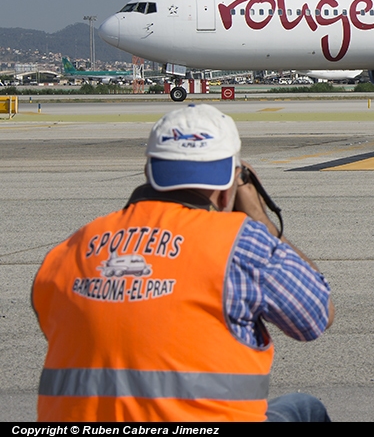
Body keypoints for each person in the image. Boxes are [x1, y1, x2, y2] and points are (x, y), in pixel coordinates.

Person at [33, 104, 334, 421]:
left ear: (150, 170)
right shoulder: (240, 243)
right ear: (229, 185)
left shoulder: (70, 250)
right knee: (305, 408)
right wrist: (259, 218)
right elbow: (316, 317)